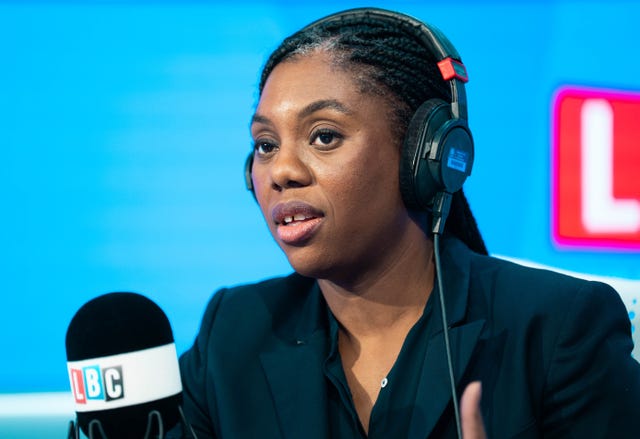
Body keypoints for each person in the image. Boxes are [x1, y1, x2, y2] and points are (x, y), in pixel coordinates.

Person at [175, 7, 640, 439]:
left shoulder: (555, 328)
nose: (280, 173)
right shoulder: (232, 334)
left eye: (323, 136)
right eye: (265, 144)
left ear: (423, 156)